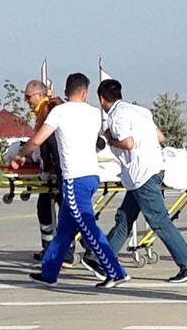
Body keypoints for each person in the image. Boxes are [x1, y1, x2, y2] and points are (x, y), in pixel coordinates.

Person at [13, 73, 129, 288]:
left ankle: (115, 271)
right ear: (85, 92)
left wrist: (21, 155)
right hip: (91, 175)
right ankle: (49, 273)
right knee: (66, 229)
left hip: (75, 178)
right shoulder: (95, 113)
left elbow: (38, 139)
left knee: (87, 226)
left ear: (66, 92)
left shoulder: (59, 112)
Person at [92, 79, 187, 283]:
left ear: (101, 99)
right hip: (153, 169)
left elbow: (127, 143)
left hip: (141, 175)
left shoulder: (115, 116)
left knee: (159, 221)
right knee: (125, 218)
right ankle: (104, 260)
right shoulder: (140, 111)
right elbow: (161, 137)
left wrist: (109, 139)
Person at [22, 80, 75, 266]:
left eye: (28, 97)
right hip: (61, 167)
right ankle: (51, 250)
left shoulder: (48, 110)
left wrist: (42, 167)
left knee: (67, 212)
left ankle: (67, 252)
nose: (26, 100)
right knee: (47, 206)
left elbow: (47, 142)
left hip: (63, 168)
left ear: (39, 95)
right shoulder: (49, 107)